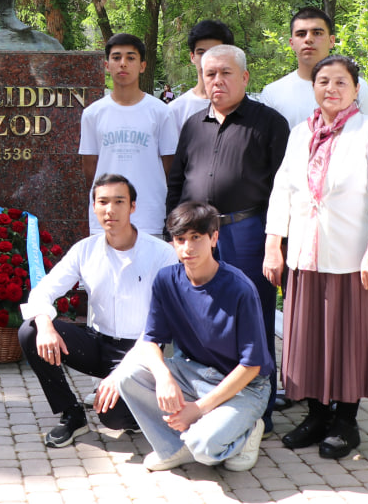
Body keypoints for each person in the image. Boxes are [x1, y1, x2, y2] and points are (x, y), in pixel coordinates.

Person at [262, 55, 368, 459]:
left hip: (351, 256)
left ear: (356, 90)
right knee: (310, 338)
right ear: (314, 87)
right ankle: (318, 416)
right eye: (323, 81)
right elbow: (282, 189)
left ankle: (346, 422)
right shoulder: (301, 133)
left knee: (349, 339)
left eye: (341, 82)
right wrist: (274, 244)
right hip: (305, 252)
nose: (331, 89)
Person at [165, 44, 289, 432]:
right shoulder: (192, 125)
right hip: (197, 238)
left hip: (247, 232)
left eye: (225, 73)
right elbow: (176, 183)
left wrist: (277, 241)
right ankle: (207, 400)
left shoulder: (269, 123)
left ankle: (259, 413)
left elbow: (283, 190)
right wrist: (172, 233)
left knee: (252, 319)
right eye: (209, 74)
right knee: (199, 317)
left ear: (245, 78)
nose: (216, 81)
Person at [100, 202, 272, 473]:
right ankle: (175, 448)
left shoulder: (240, 288)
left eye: (196, 238)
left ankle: (248, 431)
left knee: (204, 449)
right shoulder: (167, 280)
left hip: (245, 387)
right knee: (127, 376)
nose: (188, 248)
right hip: (194, 373)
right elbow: (150, 341)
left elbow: (252, 366)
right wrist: (164, 378)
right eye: (180, 240)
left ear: (214, 238)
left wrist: (199, 409)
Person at [18, 174, 178, 447]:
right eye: (102, 202)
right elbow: (42, 292)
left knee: (112, 417)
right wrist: (45, 325)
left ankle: (142, 409)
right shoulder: (85, 250)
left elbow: (161, 324)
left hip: (142, 352)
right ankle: (72, 414)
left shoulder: (162, 254)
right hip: (98, 344)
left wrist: (119, 376)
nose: (110, 210)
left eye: (119, 201)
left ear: (133, 207)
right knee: (30, 331)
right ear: (94, 207)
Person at [79, 33, 179, 236]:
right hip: (106, 218)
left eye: (130, 58)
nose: (123, 63)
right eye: (116, 58)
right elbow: (90, 166)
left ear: (142, 66)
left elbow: (171, 167)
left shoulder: (160, 111)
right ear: (107, 65)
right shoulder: (92, 113)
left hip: (149, 216)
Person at [259, 8, 368, 128]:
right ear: (292, 43)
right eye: (301, 34)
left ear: (331, 41)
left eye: (317, 33)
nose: (308, 39)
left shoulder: (355, 89)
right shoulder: (272, 94)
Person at [167, 20, 235, 128]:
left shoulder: (248, 109)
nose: (208, 59)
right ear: (192, 57)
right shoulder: (176, 110)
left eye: (215, 52)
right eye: (201, 53)